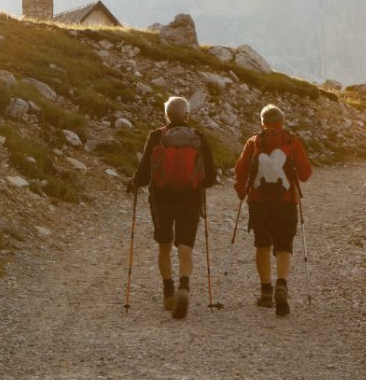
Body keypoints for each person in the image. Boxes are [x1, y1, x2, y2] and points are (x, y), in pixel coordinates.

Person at [128, 95, 219, 319]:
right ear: (186, 115)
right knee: (185, 246)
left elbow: (143, 174)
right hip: (190, 199)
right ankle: (184, 286)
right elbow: (210, 177)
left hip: (162, 199)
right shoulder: (198, 137)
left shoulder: (157, 136)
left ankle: (168, 293)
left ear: (167, 115)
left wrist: (133, 183)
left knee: (165, 245)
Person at [234, 104, 311, 316]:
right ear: (282, 121)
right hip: (286, 202)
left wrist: (241, 191)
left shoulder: (254, 142)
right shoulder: (292, 141)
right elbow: (305, 173)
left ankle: (266, 292)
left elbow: (240, 170)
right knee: (284, 245)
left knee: (262, 244)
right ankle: (282, 285)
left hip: (259, 202)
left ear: (262, 122)